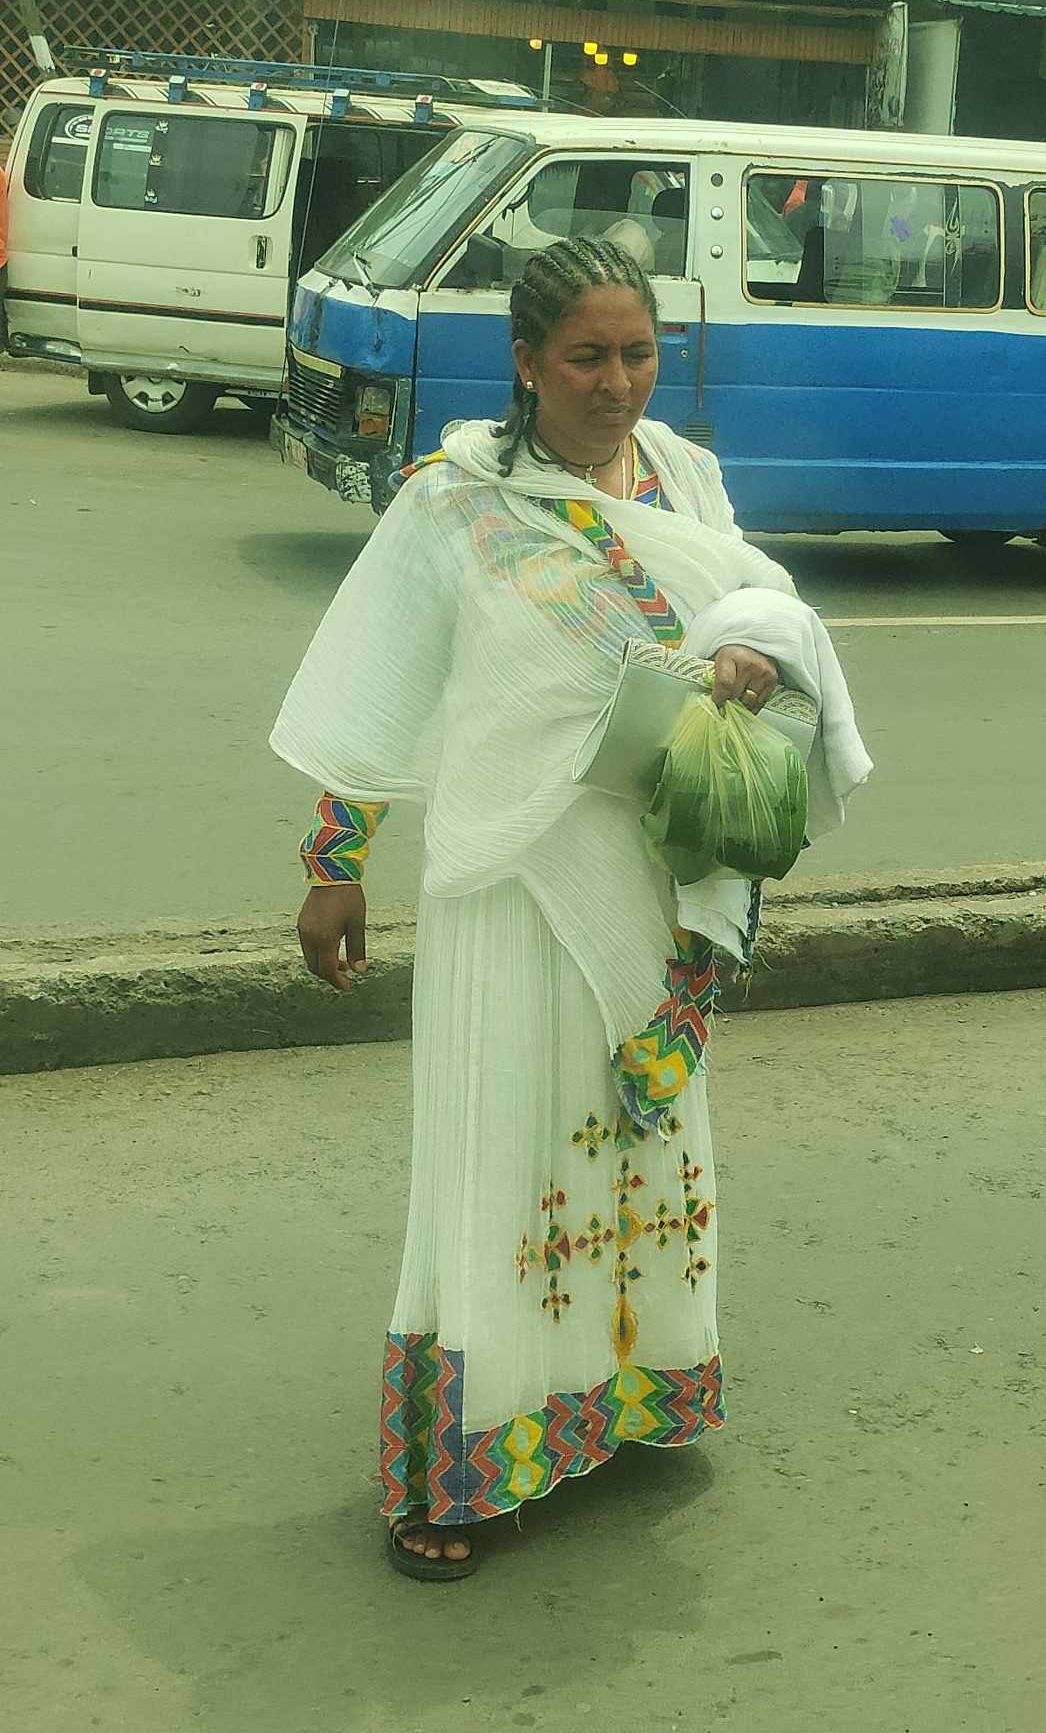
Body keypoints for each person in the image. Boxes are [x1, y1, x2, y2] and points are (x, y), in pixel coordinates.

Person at [271, 236, 871, 1580]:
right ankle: (459, 1466)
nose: (614, 383)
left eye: (637, 353)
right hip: (511, 884)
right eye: (587, 357)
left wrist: (751, 667)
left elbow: (768, 625)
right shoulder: (455, 503)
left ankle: (628, 1396)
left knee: (638, 1157)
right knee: (500, 1162)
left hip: (650, 867)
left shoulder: (683, 480)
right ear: (527, 363)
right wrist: (333, 859)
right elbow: (379, 690)